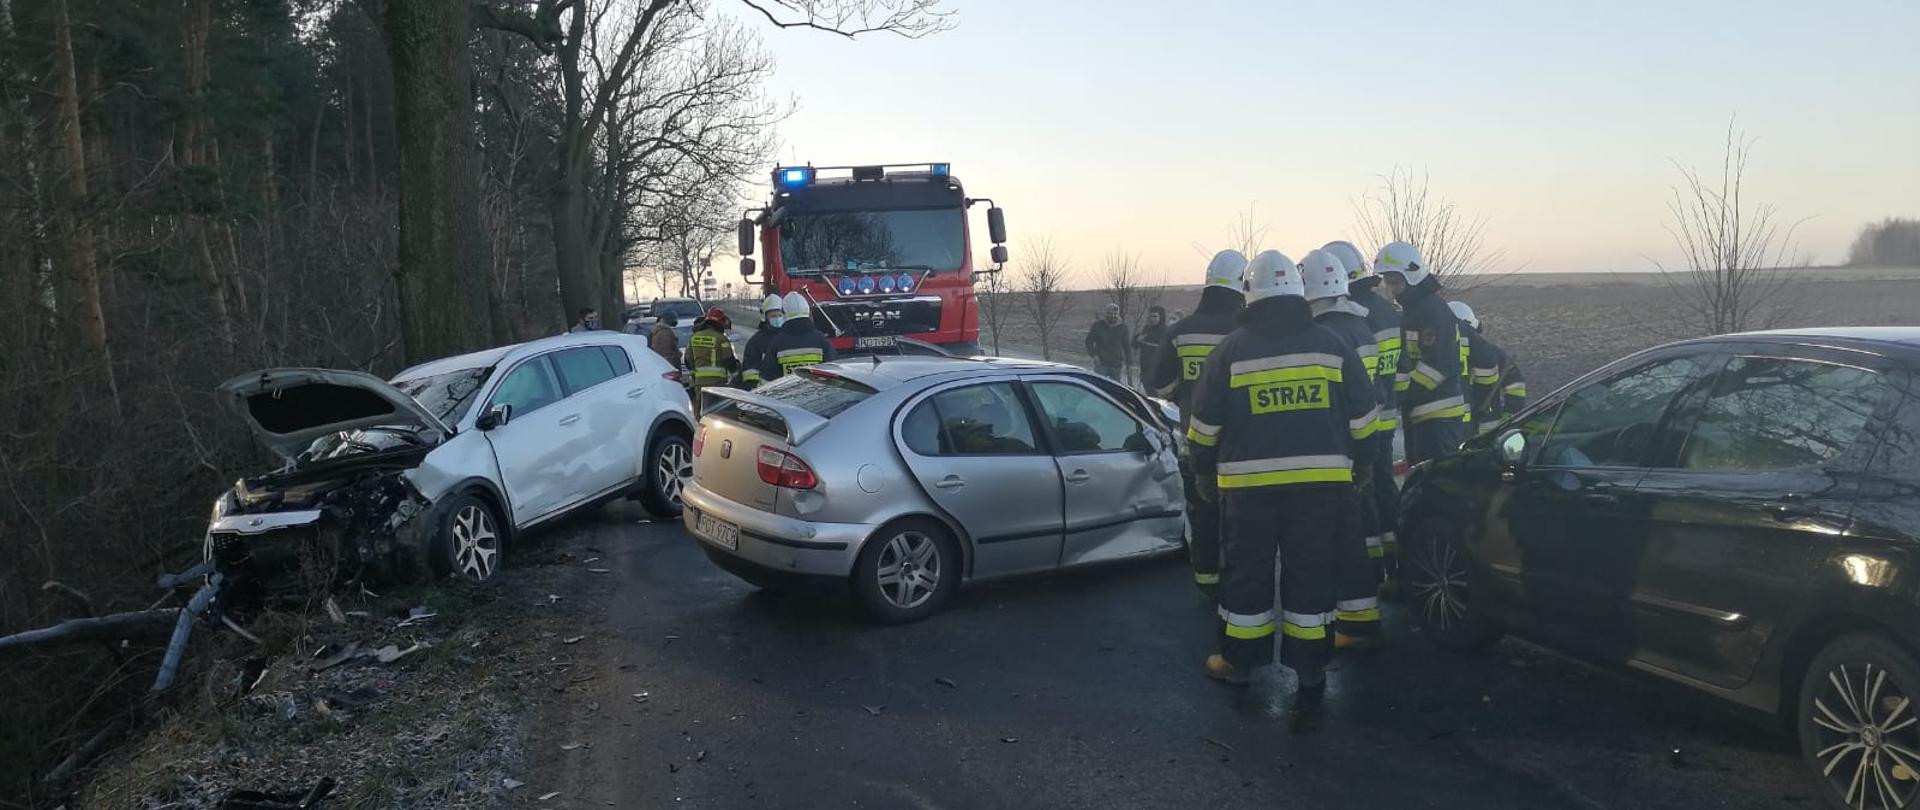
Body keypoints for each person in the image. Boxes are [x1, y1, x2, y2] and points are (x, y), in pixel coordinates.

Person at [1187, 250, 1375, 730]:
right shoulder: (1333, 344)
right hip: (1320, 488)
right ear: (1297, 291)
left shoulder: (1231, 349)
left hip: (1247, 492)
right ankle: (1311, 675)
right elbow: (1364, 416)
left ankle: (1238, 664)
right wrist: (1364, 465)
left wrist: (1204, 473)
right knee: (1311, 575)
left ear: (1250, 295)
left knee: (1246, 575)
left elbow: (1203, 426)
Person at [1143, 250, 1247, 599]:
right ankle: (1239, 579)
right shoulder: (1247, 331)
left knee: (1202, 515)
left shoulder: (1180, 331)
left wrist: (1187, 397)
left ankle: (1206, 580)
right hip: (1241, 447)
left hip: (1195, 442)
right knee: (1240, 519)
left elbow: (1159, 384)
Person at [1300, 249, 1385, 650]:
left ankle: (1349, 622)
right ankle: (1362, 614)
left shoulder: (1326, 335)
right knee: (1358, 532)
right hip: (1362, 445)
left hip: (1337, 448)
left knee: (1340, 539)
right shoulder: (1360, 328)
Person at [1325, 239, 1405, 584]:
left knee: (1364, 495)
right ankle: (1395, 561)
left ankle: (1369, 570)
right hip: (1386, 416)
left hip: (1361, 424)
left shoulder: (1351, 318)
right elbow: (1400, 367)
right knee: (1385, 489)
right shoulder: (1387, 311)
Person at [1376, 241, 1468, 465]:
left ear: (1412, 277)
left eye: (1395, 283)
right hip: (1422, 413)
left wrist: (1404, 394)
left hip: (1438, 417)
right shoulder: (1414, 310)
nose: (1392, 289)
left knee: (1436, 482)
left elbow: (1438, 366)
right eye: (1388, 283)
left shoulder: (1431, 311)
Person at [1448, 301, 1528, 430]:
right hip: (1480, 425)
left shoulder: (1435, 355)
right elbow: (1516, 384)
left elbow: (1515, 384)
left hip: (1471, 425)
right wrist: (1511, 412)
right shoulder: (1492, 353)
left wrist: (1511, 412)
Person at [759, 291, 835, 382]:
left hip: (786, 394)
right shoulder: (821, 339)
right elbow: (834, 374)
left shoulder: (777, 342)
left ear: (785, 313)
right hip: (817, 394)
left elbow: (767, 379)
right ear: (807, 311)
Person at [685, 307, 739, 412]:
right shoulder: (721, 338)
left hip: (699, 384)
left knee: (701, 412)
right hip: (717, 383)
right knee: (717, 413)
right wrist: (736, 376)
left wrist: (694, 376)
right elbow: (729, 359)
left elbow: (688, 359)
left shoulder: (695, 337)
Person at [739, 294, 783, 390]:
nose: (778, 319)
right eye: (773, 316)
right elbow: (749, 371)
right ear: (765, 317)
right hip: (766, 393)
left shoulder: (788, 336)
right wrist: (755, 389)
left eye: (780, 315)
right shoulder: (756, 341)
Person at [1084, 303, 1129, 381]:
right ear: (1106, 314)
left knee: (1114, 388)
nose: (1113, 316)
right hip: (1101, 363)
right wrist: (1094, 355)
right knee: (1099, 385)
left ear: (1118, 315)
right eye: (1110, 313)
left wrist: (1129, 362)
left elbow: (1126, 346)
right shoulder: (1098, 325)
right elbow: (1088, 341)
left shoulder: (1123, 328)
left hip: (1116, 365)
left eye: (1115, 314)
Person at [1132, 306, 1168, 389]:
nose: (1152, 319)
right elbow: (1134, 344)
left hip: (1159, 371)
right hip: (1145, 370)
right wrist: (1138, 340)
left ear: (1161, 317)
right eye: (1150, 316)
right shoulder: (1146, 329)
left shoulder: (1166, 332)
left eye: (1155, 316)